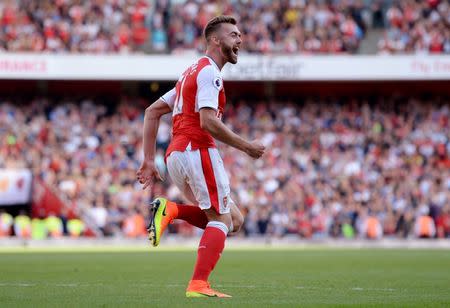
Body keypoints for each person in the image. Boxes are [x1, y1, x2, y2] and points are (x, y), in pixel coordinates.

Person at [137, 15, 265, 298]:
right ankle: (198, 284)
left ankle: (171, 210)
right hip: (197, 148)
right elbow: (207, 122)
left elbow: (152, 111)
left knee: (234, 219)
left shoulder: (189, 74)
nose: (240, 40)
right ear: (215, 40)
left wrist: (149, 159)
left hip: (176, 155)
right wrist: (246, 147)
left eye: (240, 35)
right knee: (221, 219)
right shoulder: (210, 73)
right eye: (234, 35)